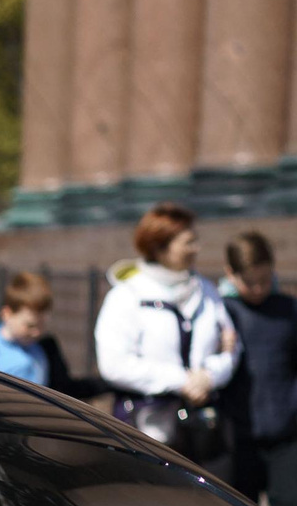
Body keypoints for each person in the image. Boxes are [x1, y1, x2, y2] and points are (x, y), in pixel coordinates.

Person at [94, 201, 237, 477]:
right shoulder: (126, 296)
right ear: (160, 247)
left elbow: (230, 346)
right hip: (147, 435)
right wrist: (182, 380)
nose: (196, 248)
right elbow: (114, 364)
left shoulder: (207, 291)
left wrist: (209, 376)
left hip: (203, 434)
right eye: (188, 242)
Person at [221, 229, 297, 506]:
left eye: (264, 280)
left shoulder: (288, 308)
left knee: (292, 501)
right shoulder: (223, 311)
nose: (258, 289)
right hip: (239, 431)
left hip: (282, 426)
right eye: (249, 282)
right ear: (231, 273)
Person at [0, 270, 97, 397]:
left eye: (42, 325)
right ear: (7, 314)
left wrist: (103, 383)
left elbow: (65, 390)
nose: (37, 332)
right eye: (30, 325)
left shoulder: (46, 347)